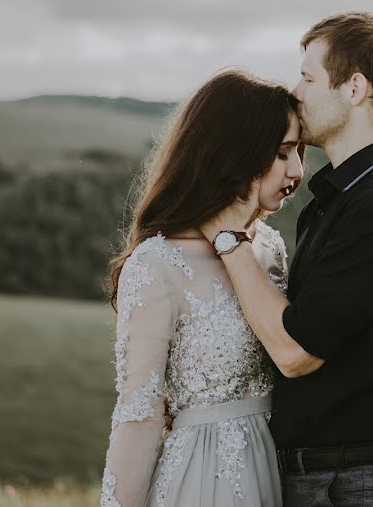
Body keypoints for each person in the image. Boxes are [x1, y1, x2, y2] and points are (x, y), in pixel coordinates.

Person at [201, 11, 373, 506]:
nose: (297, 91)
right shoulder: (342, 197)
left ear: (354, 88)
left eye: (309, 77)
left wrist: (228, 239)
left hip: (357, 483)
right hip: (322, 475)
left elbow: (294, 351)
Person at [99, 69, 305, 506]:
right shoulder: (156, 265)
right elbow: (139, 413)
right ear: (238, 153)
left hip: (283, 471)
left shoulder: (269, 248)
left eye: (299, 151)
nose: (298, 170)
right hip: (202, 479)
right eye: (284, 152)